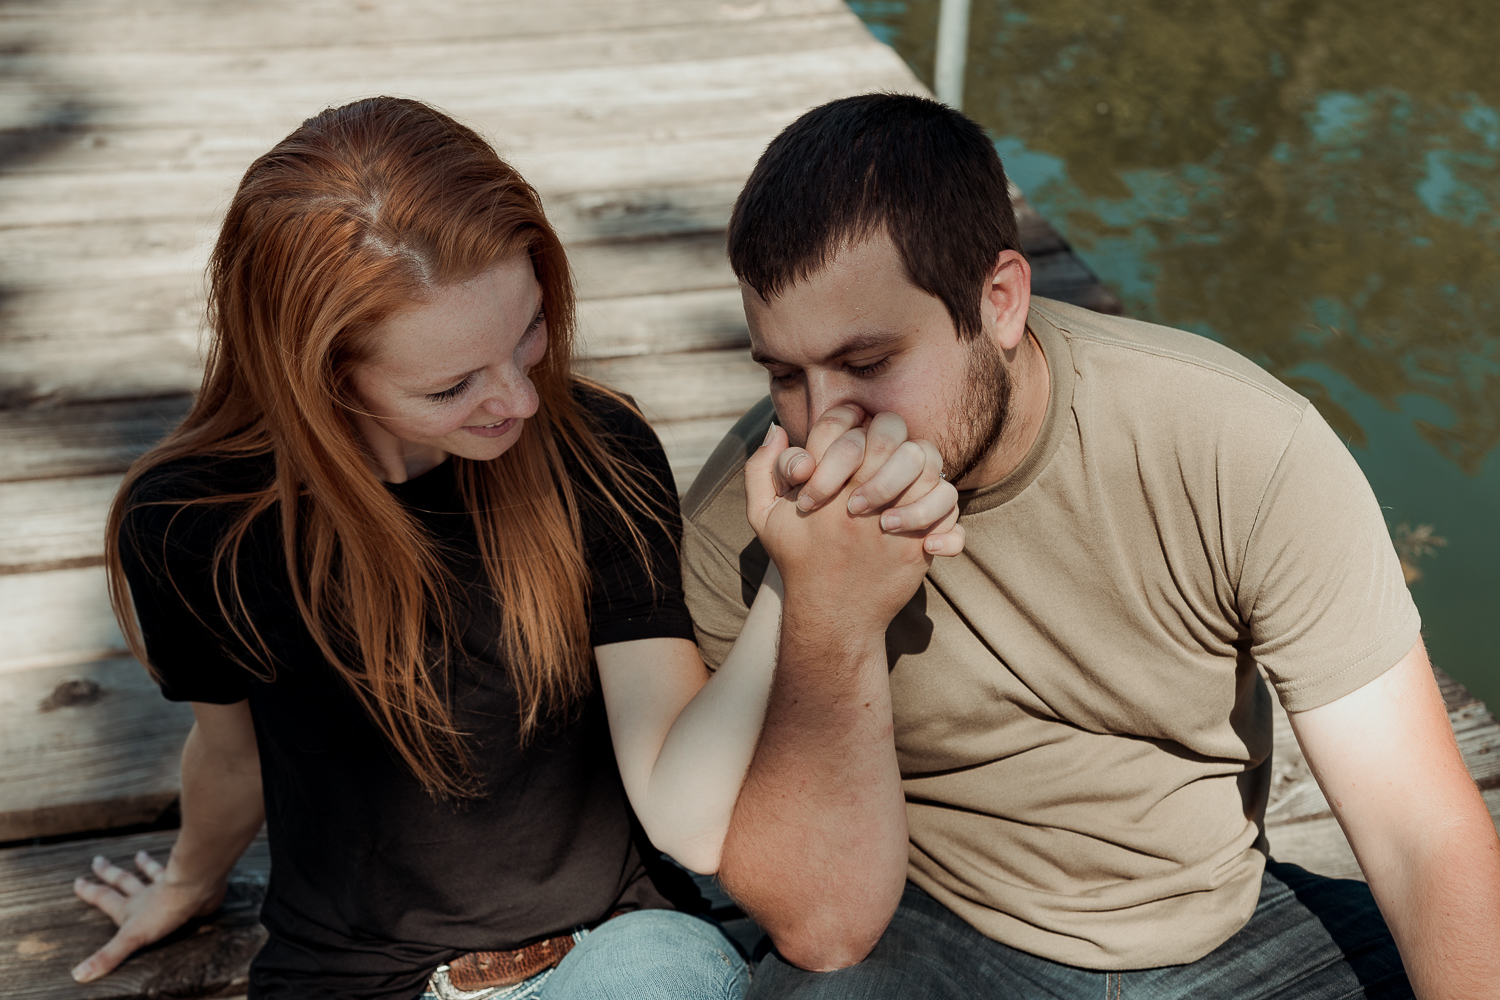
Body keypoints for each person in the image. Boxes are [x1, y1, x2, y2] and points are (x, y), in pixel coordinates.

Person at [69, 96, 965, 1000]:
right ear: (320, 378)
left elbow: (687, 817)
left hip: (615, 959)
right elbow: (230, 755)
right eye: (453, 385)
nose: (521, 402)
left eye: (529, 333)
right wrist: (189, 880)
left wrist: (798, 578)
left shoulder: (595, 452)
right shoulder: (193, 524)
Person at [681, 93, 1500, 998]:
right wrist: (825, 608)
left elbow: (1421, 833)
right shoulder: (750, 517)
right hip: (939, 929)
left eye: (869, 365)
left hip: (1233, 932)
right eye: (785, 375)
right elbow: (821, 927)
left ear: (999, 302)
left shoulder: (1238, 445)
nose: (822, 423)